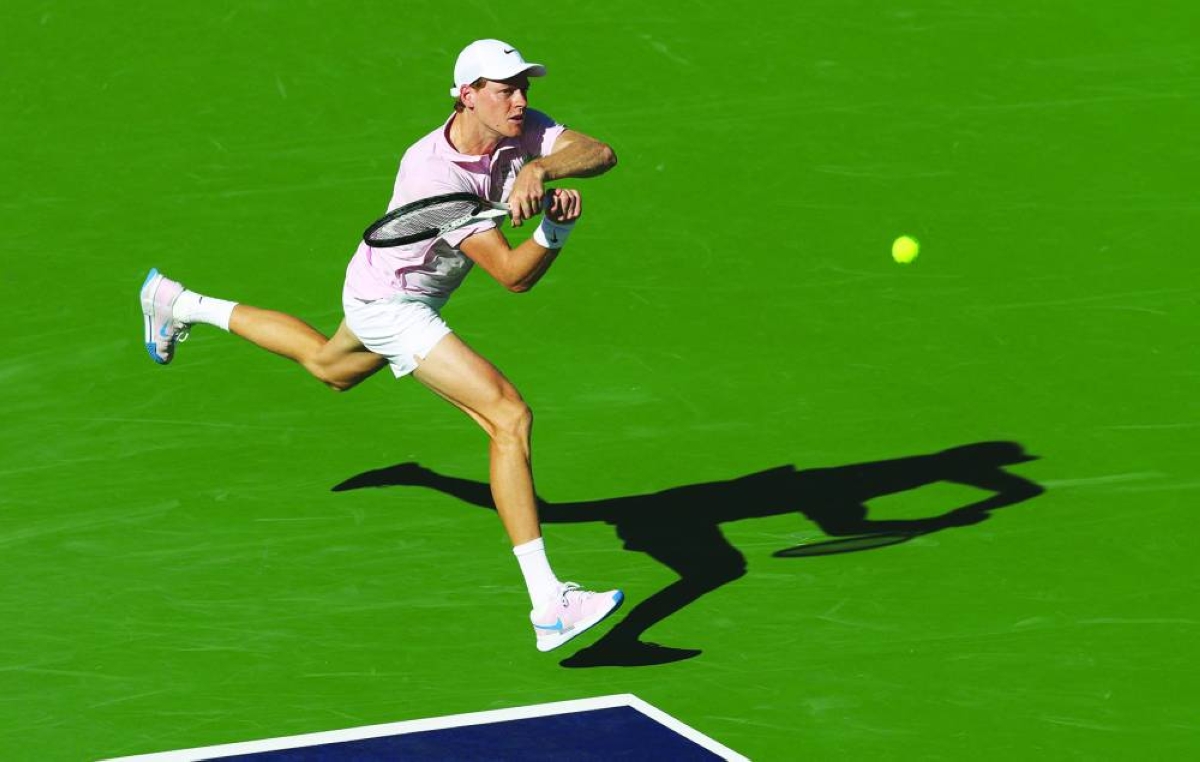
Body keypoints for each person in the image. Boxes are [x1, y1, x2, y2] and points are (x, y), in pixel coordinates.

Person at [138, 39, 622, 653]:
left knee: (327, 365)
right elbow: (512, 275)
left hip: (379, 287)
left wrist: (541, 166)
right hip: (393, 304)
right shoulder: (435, 176)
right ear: (467, 95)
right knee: (508, 417)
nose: (520, 100)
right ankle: (549, 604)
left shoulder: (520, 129)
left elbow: (599, 152)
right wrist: (555, 230)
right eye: (505, 90)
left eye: (524, 86)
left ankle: (177, 302)